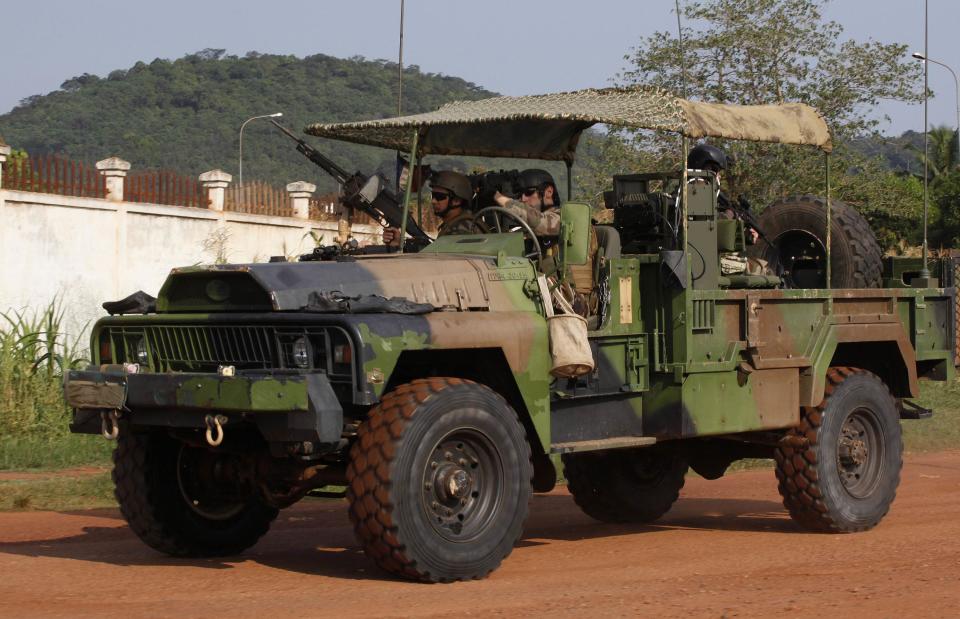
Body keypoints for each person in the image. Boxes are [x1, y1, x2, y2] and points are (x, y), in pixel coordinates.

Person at [382, 170, 475, 246]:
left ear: (456, 201)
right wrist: (400, 243)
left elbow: (441, 262)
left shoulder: (463, 230)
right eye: (433, 195)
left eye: (439, 196)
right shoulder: (454, 224)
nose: (433, 201)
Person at [493, 168, 561, 236]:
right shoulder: (525, 226)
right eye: (520, 195)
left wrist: (496, 196)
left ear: (549, 192)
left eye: (528, 192)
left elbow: (542, 223)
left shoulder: (562, 218)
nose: (523, 199)